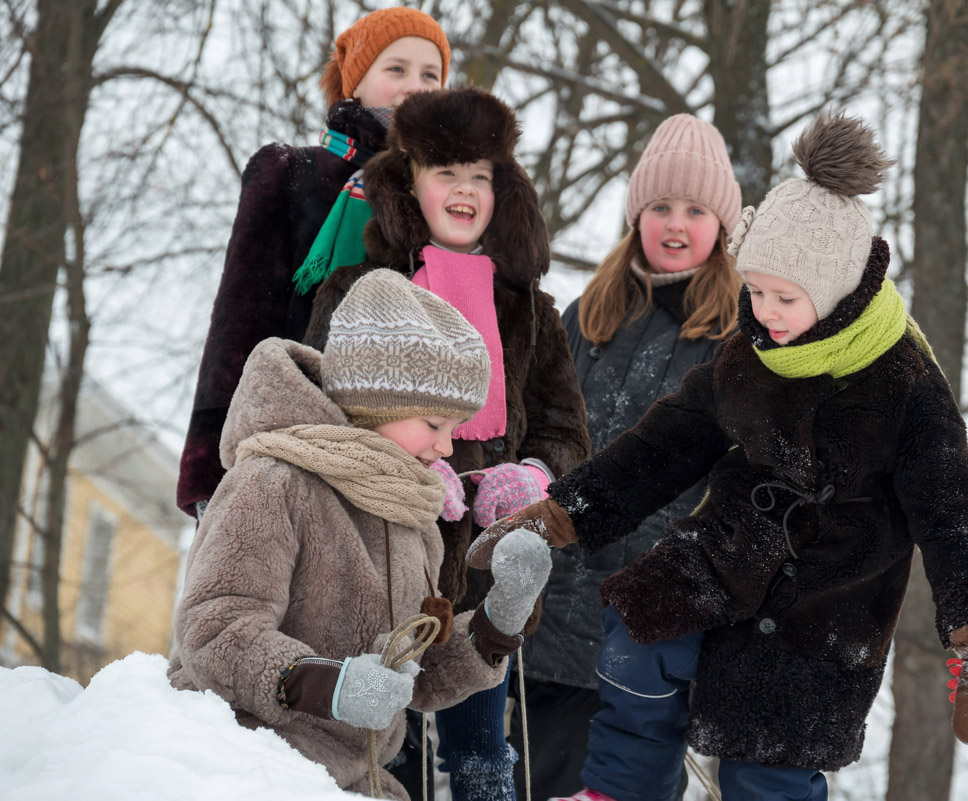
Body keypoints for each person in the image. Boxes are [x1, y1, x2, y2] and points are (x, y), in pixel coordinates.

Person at [471, 111, 968, 801]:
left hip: (828, 605)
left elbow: (954, 512)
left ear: (838, 290)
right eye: (756, 292)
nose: (766, 311)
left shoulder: (904, 383)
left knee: (767, 759)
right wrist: (564, 511)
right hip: (724, 553)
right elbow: (670, 438)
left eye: (785, 297)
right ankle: (621, 790)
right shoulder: (755, 347)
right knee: (640, 626)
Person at [303, 87, 590, 801]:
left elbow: (568, 430)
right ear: (411, 185)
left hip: (486, 581)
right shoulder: (357, 290)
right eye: (444, 172)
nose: (463, 189)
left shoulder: (533, 312)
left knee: (483, 757)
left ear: (503, 191)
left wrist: (533, 475)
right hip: (379, 564)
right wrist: (397, 472)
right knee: (383, 755)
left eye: (480, 175)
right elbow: (317, 419)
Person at [168, 269, 553, 800]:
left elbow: (413, 676)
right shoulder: (272, 482)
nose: (446, 449)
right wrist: (331, 685)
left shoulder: (410, 515)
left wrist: (495, 624)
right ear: (378, 404)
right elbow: (214, 630)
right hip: (242, 763)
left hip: (353, 779)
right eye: (435, 424)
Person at [511, 114, 742, 800]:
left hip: (644, 632)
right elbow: (537, 428)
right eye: (660, 206)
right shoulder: (588, 314)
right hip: (540, 618)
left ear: (722, 224)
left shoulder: (737, 337)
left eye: (696, 209)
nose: (676, 223)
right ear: (636, 215)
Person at [177, 6, 452, 521]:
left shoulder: (451, 197)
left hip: (404, 471)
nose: (415, 85)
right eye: (396, 69)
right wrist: (209, 468)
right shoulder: (290, 172)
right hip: (292, 440)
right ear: (356, 81)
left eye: (430, 74)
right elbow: (238, 322)